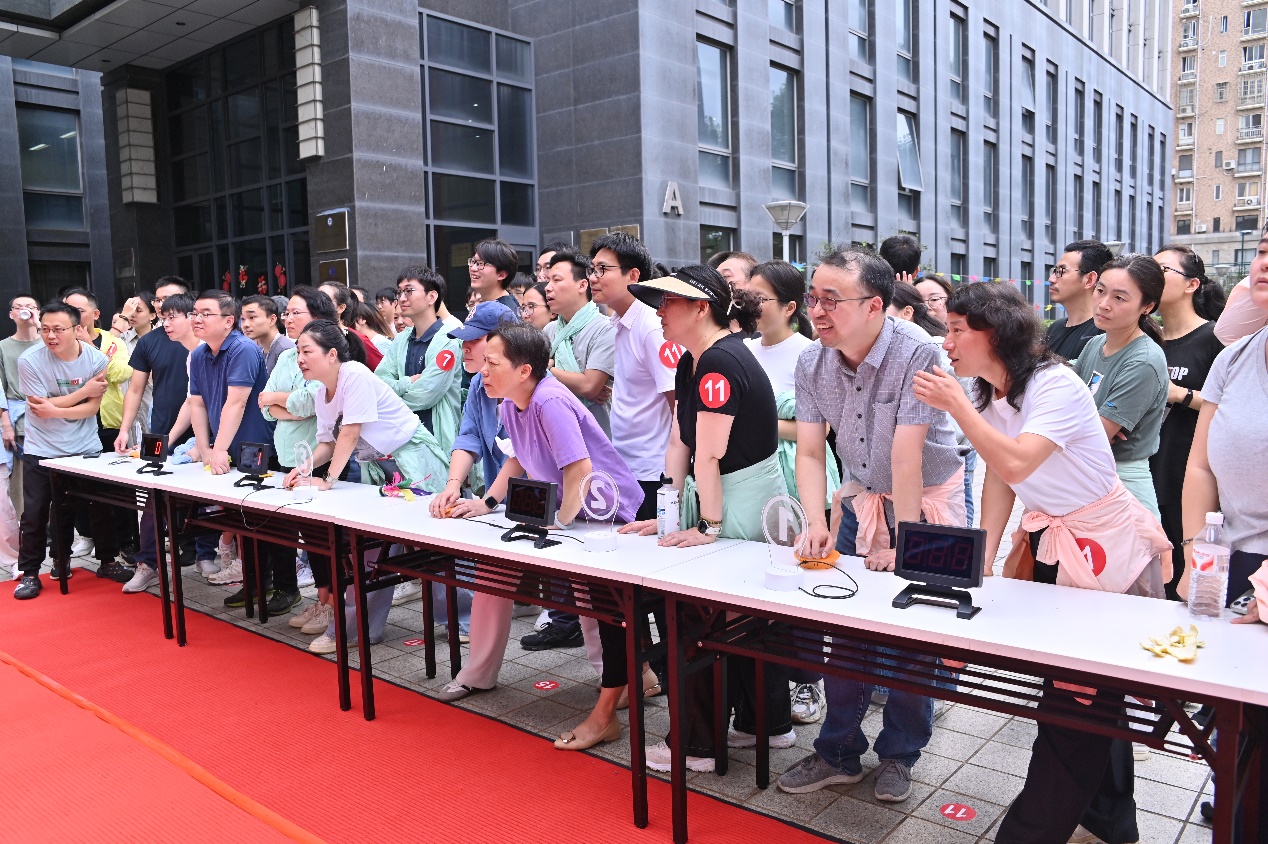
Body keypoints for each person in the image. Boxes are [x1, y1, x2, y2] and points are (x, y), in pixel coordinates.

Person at [913, 281, 1169, 844]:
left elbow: (1018, 462)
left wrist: (958, 405)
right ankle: (1109, 818)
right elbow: (1000, 477)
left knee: (1076, 698)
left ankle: (1030, 833)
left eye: (957, 330)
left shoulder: (1055, 384)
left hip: (1105, 550)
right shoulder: (987, 391)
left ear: (997, 335)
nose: (946, 341)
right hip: (1055, 539)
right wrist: (983, 552)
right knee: (1093, 690)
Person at [776, 247, 964, 804]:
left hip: (928, 502)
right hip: (864, 498)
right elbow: (811, 451)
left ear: (875, 305)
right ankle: (837, 751)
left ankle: (901, 754)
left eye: (831, 300)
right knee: (846, 627)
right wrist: (815, 521)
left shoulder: (919, 351)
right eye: (813, 298)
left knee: (914, 635)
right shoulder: (813, 361)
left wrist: (906, 543)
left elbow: (907, 460)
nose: (817, 311)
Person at [618, 265, 789, 773]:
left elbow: (709, 456)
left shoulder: (718, 362)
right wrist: (668, 514)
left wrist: (706, 527)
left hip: (740, 504)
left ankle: (697, 746)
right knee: (746, 621)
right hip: (727, 498)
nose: (659, 311)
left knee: (701, 622)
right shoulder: (692, 361)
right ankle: (763, 725)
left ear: (701, 307)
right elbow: (680, 442)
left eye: (669, 301)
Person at [444, 322, 644, 742]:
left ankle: (627, 680)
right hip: (571, 512)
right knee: (498, 573)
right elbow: (517, 458)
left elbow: (580, 468)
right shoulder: (509, 402)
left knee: (597, 601)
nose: (483, 370)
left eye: (492, 362)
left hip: (606, 512)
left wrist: (562, 523)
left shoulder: (550, 400)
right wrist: (487, 503)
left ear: (524, 370)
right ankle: (478, 672)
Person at [287, 319, 453, 653]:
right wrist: (303, 468)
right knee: (371, 552)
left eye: (307, 351)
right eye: (298, 353)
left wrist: (328, 480)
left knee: (437, 547)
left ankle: (462, 622)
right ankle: (354, 630)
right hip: (379, 470)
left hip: (413, 458)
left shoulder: (355, 374)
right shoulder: (321, 393)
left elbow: (350, 431)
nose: (300, 359)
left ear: (331, 354)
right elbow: (328, 443)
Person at [1181, 225, 1268, 832]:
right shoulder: (1235, 357)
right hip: (1236, 565)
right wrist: (1197, 553)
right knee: (1235, 729)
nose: (1264, 263)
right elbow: (1200, 465)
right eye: (1262, 251)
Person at [743, 259, 838, 726]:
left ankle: (808, 680)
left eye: (759, 298)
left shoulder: (810, 354)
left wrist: (753, 422)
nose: (749, 304)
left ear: (789, 307)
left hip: (797, 478)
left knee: (801, 579)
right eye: (746, 295)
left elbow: (818, 431)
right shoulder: (742, 350)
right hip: (750, 476)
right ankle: (766, 681)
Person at [428, 301, 526, 700]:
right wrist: (453, 484)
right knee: (491, 581)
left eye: (475, 341)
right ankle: (478, 673)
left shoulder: (534, 386)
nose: (466, 349)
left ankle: (629, 677)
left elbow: (522, 455)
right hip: (505, 504)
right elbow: (468, 436)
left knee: (590, 597)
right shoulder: (478, 388)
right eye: (464, 341)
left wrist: (485, 501)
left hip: (558, 505)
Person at [12, 303, 128, 600]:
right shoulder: (30, 360)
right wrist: (82, 393)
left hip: (85, 447)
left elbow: (92, 408)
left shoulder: (96, 359)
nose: (50, 336)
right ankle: (30, 572)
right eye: (45, 329)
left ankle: (107, 561)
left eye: (58, 329)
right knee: (36, 512)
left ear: (77, 329)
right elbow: (38, 407)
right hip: (42, 448)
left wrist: (56, 408)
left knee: (99, 506)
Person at [186, 290, 293, 613]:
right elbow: (196, 403)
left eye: (205, 313)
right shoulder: (200, 354)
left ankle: (287, 588)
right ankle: (256, 583)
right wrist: (204, 447)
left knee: (273, 521)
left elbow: (237, 402)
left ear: (228, 320)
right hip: (227, 448)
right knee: (245, 521)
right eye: (195, 313)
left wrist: (217, 449)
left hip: (257, 446)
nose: (197, 319)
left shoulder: (243, 349)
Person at [258, 288, 342, 637]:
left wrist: (283, 403)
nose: (288, 318)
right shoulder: (285, 357)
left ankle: (333, 604)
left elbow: (310, 402)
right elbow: (265, 405)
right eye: (287, 313)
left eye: (296, 312)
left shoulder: (330, 354)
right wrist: (285, 404)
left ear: (318, 318)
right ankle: (322, 600)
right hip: (288, 456)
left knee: (324, 537)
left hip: (319, 458)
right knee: (306, 534)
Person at [1070, 255, 1169, 529]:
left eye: (1119, 298)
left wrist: (1090, 428)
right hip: (1086, 474)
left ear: (1147, 306)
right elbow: (1067, 407)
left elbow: (1095, 436)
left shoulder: (1144, 360)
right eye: (1100, 290)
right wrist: (1089, 426)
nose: (1104, 303)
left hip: (1123, 480)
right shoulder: (1095, 344)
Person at [1150, 245, 1226, 600]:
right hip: (1144, 475)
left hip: (1190, 480)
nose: (1152, 277)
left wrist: (1179, 394)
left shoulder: (1215, 339)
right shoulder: (1146, 340)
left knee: (1183, 586)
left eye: (1163, 270)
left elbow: (1230, 408)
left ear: (1192, 284)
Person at [113, 288, 201, 593]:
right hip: (161, 429)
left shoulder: (204, 345)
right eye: (160, 304)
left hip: (203, 432)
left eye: (171, 306)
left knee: (203, 500)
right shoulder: (149, 341)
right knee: (152, 498)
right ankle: (148, 563)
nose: (164, 310)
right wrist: (125, 429)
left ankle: (203, 554)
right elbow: (135, 389)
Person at [64, 287, 137, 555]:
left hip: (108, 423)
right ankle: (87, 535)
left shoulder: (111, 341)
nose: (71, 315)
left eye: (78, 310)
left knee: (119, 485)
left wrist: (90, 349)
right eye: (67, 309)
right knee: (78, 484)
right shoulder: (58, 344)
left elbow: (120, 373)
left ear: (95, 314)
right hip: (73, 425)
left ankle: (126, 540)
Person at [1, 294, 43, 517]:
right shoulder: (3, 347)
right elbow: (0, 388)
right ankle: (27, 524)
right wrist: (6, 425)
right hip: (19, 421)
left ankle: (51, 526)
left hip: (49, 418)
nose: (24, 310)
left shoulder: (48, 343)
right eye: (19, 307)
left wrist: (39, 325)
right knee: (22, 480)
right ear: (11, 314)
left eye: (30, 307)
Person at [1045, 240, 1113, 361]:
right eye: (1055, 271)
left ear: (1089, 279)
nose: (1051, 279)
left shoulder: (1104, 332)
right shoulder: (1054, 329)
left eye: (1061, 271)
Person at [320, 282, 381, 370]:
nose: (318, 305)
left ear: (341, 308)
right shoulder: (307, 335)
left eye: (325, 300)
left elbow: (383, 372)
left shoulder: (356, 339)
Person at [239, 294, 294, 374]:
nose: (245, 324)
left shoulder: (286, 351)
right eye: (242, 319)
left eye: (252, 317)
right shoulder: (259, 349)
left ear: (272, 320)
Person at [468, 238, 522, 313]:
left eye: (480, 264)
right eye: (473, 261)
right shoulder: (498, 306)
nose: (473, 268)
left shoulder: (502, 312)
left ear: (501, 275)